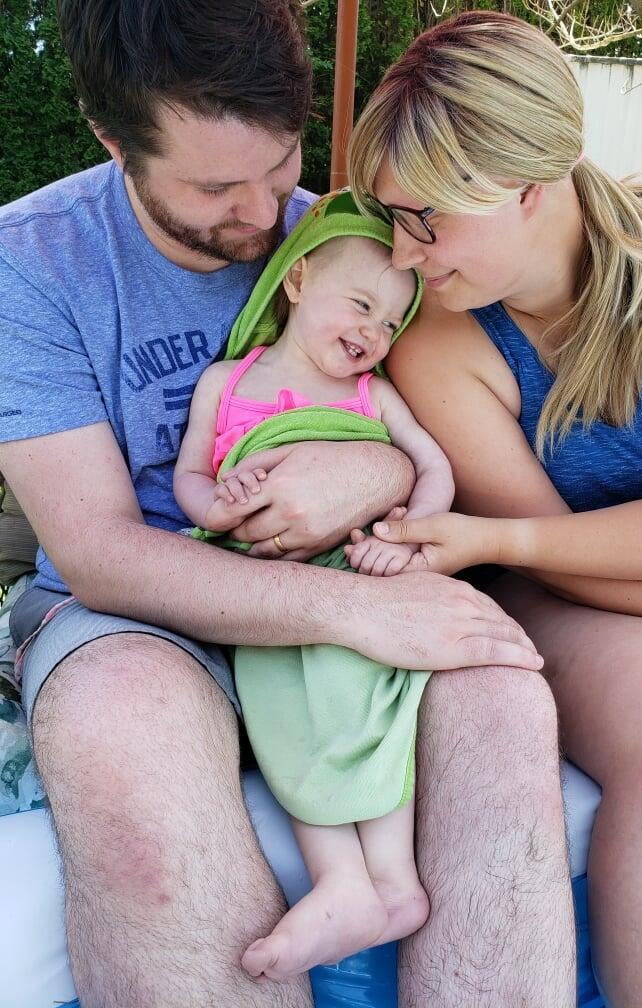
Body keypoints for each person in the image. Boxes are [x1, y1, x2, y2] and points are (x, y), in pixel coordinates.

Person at [0, 4, 573, 1007]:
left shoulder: (350, 243)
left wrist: (383, 476)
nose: (268, 218)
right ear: (110, 137)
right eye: (217, 187)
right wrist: (355, 610)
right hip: (135, 613)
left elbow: (427, 430)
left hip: (352, 561)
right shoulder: (29, 264)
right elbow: (98, 552)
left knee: (503, 701)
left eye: (279, 168)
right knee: (123, 730)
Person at [348, 11, 642, 1008]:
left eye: (426, 219)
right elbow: (563, 561)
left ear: (530, 189)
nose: (402, 258)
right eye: (393, 217)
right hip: (556, 594)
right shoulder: (442, 337)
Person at [174, 218, 453, 978]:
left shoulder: (376, 395)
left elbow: (434, 469)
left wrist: (402, 538)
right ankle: (345, 882)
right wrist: (217, 506)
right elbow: (193, 479)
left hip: (357, 573)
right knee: (283, 718)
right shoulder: (225, 382)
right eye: (360, 304)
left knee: (374, 710)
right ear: (297, 281)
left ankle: (392, 881)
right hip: (262, 587)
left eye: (392, 321)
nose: (375, 330)